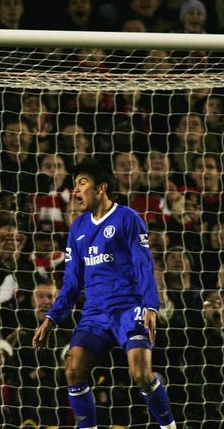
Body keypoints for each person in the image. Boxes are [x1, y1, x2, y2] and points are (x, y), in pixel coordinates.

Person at [33, 159, 177, 429]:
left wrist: (150, 306)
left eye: (82, 184)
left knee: (141, 373)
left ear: (101, 188)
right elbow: (72, 282)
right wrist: (52, 317)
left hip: (128, 308)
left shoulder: (127, 218)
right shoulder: (77, 229)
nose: (76, 192)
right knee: (73, 370)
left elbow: (143, 264)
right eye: (74, 186)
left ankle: (169, 427)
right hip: (95, 314)